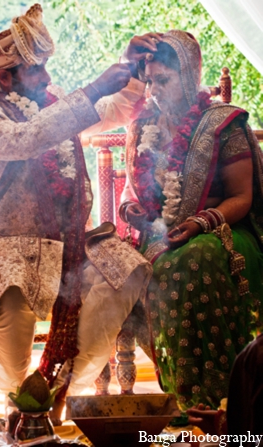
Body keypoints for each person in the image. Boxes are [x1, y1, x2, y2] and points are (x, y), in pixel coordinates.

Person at [0, 4, 160, 423]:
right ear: (4, 76)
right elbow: (24, 140)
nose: (48, 79)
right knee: (16, 293)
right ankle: (17, 400)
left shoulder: (52, 106)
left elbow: (117, 107)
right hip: (8, 245)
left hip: (72, 243)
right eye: (37, 71)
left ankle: (61, 386)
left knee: (126, 271)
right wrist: (89, 91)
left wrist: (129, 65)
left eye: (47, 68)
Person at [119, 29, 263, 411]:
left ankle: (217, 401)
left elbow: (242, 196)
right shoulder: (141, 126)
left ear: (188, 77)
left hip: (223, 231)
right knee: (121, 268)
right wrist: (129, 208)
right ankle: (184, 396)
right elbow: (131, 190)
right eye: (149, 81)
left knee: (191, 262)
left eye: (162, 81)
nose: (153, 91)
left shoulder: (222, 123)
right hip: (159, 235)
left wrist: (202, 222)